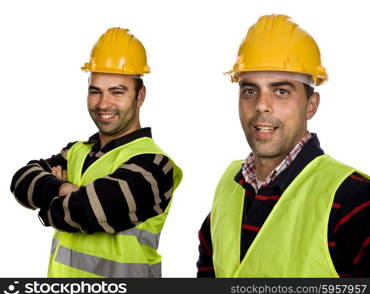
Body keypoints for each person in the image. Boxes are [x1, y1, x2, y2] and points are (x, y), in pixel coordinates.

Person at [197, 14, 370, 277]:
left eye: (281, 91)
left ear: (310, 105)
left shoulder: (352, 199)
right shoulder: (229, 186)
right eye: (250, 90)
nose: (261, 106)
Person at [11, 27, 182, 278]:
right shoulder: (76, 151)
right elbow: (21, 181)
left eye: (117, 92)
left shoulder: (154, 166)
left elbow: (92, 210)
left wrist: (48, 204)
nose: (104, 104)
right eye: (95, 91)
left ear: (140, 96)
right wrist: (62, 189)